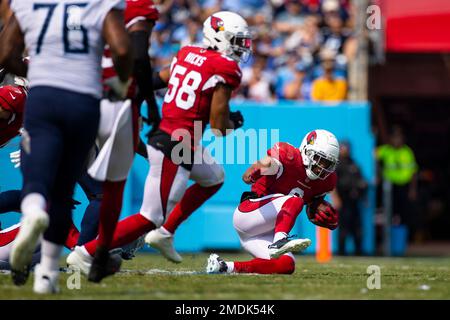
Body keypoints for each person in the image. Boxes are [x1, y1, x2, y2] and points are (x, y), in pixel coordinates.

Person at [67, 10, 250, 272]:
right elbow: (220, 128)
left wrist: (137, 103)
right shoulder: (226, 68)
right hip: (176, 147)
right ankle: (87, 252)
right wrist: (232, 122)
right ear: (219, 37)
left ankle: (166, 233)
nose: (240, 47)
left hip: (172, 140)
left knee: (213, 177)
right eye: (236, 40)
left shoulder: (188, 53)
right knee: (149, 217)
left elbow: (157, 80)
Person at [0, 0, 132, 294]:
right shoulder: (99, 4)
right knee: (63, 193)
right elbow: (123, 50)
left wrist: (39, 73)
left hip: (43, 98)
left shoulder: (28, 4)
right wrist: (120, 86)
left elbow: (6, 53)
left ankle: (33, 211)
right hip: (83, 99)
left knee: (37, 186)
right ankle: (48, 273)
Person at [85, 0, 160, 283]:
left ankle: (56, 253)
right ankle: (98, 253)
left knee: (54, 183)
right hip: (113, 101)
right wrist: (152, 105)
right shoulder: (136, 10)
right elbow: (138, 55)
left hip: (72, 96)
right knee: (111, 190)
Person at [206, 129, 339, 275]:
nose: (322, 168)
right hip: (249, 213)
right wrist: (259, 167)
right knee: (294, 201)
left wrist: (319, 214)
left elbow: (313, 204)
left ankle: (225, 267)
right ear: (307, 151)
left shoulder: (326, 181)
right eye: (320, 160)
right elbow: (261, 167)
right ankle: (280, 240)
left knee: (286, 265)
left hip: (262, 234)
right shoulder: (288, 156)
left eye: (327, 164)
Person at [376, 126, 418, 240]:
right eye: (394, 137)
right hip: (389, 187)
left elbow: (414, 172)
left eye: (399, 137)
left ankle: (402, 242)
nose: (397, 140)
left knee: (404, 214)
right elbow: (372, 156)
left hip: (404, 187)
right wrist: (378, 172)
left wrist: (413, 190)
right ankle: (388, 241)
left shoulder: (407, 152)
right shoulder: (385, 150)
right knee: (389, 213)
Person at [331, 141, 367, 255]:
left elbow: (361, 181)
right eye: (343, 147)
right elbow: (332, 183)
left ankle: (358, 252)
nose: (345, 150)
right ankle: (341, 252)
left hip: (354, 201)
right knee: (343, 228)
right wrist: (335, 198)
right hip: (343, 200)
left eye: (346, 148)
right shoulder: (336, 165)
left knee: (357, 228)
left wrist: (364, 195)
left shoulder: (354, 164)